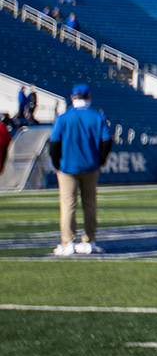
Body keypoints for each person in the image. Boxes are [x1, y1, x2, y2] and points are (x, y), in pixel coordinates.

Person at [47, 85, 112, 256]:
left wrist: (57, 164)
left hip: (67, 167)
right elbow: (106, 142)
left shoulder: (63, 118)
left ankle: (68, 242)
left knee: (68, 205)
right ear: (88, 96)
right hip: (90, 166)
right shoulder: (98, 117)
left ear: (72, 97)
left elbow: (54, 143)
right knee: (90, 204)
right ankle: (89, 240)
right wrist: (100, 161)